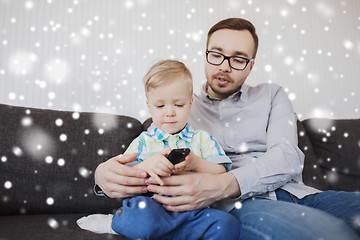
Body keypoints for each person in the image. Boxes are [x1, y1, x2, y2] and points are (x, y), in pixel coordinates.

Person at [94, 18, 360, 239]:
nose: (224, 66)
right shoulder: (179, 109)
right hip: (246, 205)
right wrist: (101, 176)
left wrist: (224, 183)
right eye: (217, 54)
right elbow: (146, 163)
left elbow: (288, 157)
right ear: (206, 54)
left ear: (251, 65)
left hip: (304, 195)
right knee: (329, 234)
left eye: (238, 59)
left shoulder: (272, 95)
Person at [78, 60, 242, 239]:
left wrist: (197, 162)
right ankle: (114, 223)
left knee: (228, 224)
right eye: (160, 106)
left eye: (178, 105)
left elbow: (221, 171)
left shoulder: (202, 139)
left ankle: (170, 233)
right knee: (142, 219)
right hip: (152, 208)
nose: (170, 112)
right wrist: (147, 166)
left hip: (194, 210)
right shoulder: (144, 142)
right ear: (149, 106)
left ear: (190, 103)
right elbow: (125, 177)